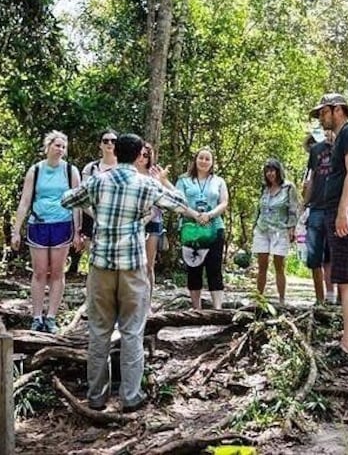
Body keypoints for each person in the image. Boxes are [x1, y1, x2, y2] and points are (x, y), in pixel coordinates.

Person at [61, 133, 201, 413]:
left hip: (101, 267)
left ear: (116, 152)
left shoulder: (99, 180)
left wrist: (96, 209)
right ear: (139, 155)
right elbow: (182, 204)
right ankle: (130, 396)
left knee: (99, 332)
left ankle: (97, 397)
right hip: (133, 268)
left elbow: (67, 200)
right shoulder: (146, 184)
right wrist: (162, 182)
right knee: (132, 332)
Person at [309, 93, 348, 363]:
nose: (320, 118)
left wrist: (343, 212)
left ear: (337, 110)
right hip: (347, 210)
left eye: (323, 112)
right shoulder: (342, 138)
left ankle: (346, 346)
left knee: (346, 282)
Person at [11, 130, 82, 334]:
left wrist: (77, 231)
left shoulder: (71, 171)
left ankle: (51, 316)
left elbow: (77, 203)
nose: (60, 149)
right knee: (40, 272)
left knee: (58, 272)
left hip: (62, 223)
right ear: (48, 146)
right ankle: (36, 316)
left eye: (63, 146)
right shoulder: (36, 170)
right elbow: (25, 201)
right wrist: (16, 231)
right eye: (57, 145)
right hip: (38, 224)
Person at [175, 147, 229, 310]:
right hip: (191, 229)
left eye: (207, 159)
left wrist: (209, 215)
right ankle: (196, 309)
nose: (204, 161)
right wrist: (194, 215)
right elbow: (177, 202)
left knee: (214, 267)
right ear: (195, 159)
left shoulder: (218, 181)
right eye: (201, 158)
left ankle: (217, 309)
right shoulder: (183, 180)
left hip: (214, 228)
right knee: (193, 268)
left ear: (212, 162)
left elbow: (224, 202)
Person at [68, 129, 119, 275]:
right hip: (92, 220)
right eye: (105, 141)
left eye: (113, 141)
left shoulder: (125, 167)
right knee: (95, 263)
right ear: (100, 145)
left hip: (117, 221)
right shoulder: (91, 168)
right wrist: (96, 215)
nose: (109, 144)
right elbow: (82, 196)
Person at [252, 158, 300, 305]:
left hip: (280, 230)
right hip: (262, 229)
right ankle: (258, 299)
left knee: (279, 265)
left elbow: (293, 209)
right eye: (267, 171)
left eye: (272, 170)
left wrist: (292, 228)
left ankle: (281, 300)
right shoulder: (264, 188)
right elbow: (258, 209)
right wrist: (253, 226)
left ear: (278, 171)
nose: (270, 174)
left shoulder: (288, 188)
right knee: (262, 265)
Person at [303, 128, 337, 304]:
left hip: (336, 208)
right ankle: (319, 299)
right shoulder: (316, 151)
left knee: (333, 255)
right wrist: (304, 204)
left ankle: (333, 296)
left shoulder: (345, 144)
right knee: (314, 256)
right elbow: (312, 179)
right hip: (316, 208)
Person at [135, 142, 162, 293]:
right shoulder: (128, 172)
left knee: (148, 265)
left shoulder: (154, 173)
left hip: (153, 220)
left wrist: (158, 180)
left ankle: (148, 302)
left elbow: (162, 197)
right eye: (139, 154)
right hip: (133, 221)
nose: (142, 158)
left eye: (146, 155)